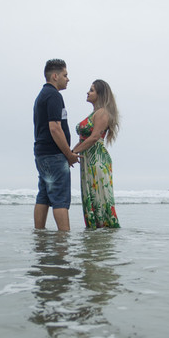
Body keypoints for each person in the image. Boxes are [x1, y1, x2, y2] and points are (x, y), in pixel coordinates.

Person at [33, 59, 78, 231]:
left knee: (43, 195)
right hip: (53, 154)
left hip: (42, 153)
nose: (68, 79)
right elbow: (55, 128)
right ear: (55, 76)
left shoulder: (41, 95)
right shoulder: (53, 95)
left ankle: (40, 236)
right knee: (60, 198)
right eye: (65, 75)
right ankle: (63, 241)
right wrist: (69, 154)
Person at [71, 79, 121, 228]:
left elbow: (94, 137)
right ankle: (96, 232)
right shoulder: (95, 113)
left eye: (92, 90)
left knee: (99, 197)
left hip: (97, 160)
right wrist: (70, 153)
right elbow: (84, 140)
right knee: (91, 196)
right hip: (89, 158)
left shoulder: (103, 112)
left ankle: (104, 234)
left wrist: (73, 153)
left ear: (100, 94)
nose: (88, 92)